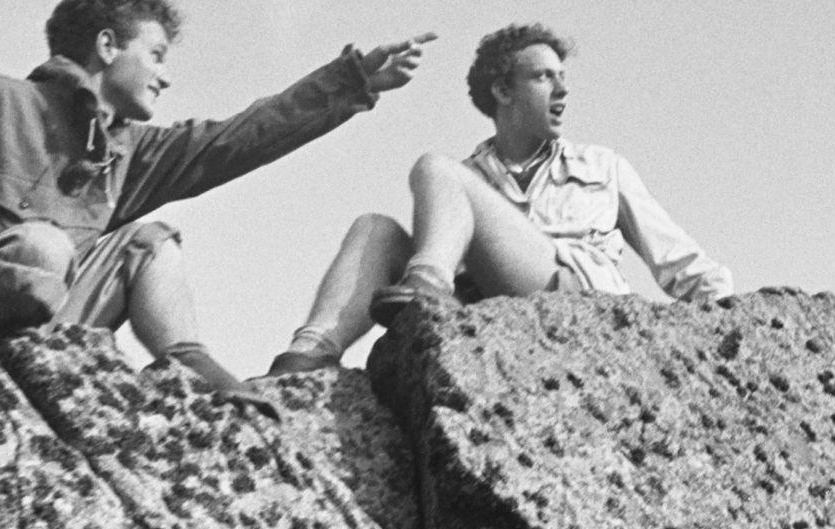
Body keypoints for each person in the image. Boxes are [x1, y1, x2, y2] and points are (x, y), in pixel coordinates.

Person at [0, 0, 433, 412]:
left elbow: (236, 139)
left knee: (149, 243)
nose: (166, 74)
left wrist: (349, 83)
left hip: (51, 316)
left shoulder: (132, 153)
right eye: (154, 54)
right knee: (42, 250)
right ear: (107, 47)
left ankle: (191, 366)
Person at [267, 22, 732, 376]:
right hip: (492, 306)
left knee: (434, 167)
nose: (562, 90)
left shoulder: (602, 166)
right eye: (544, 78)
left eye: (562, 77)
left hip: (578, 311)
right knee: (374, 227)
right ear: (503, 90)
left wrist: (733, 330)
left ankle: (428, 288)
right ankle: (309, 353)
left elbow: (679, 259)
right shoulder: (467, 180)